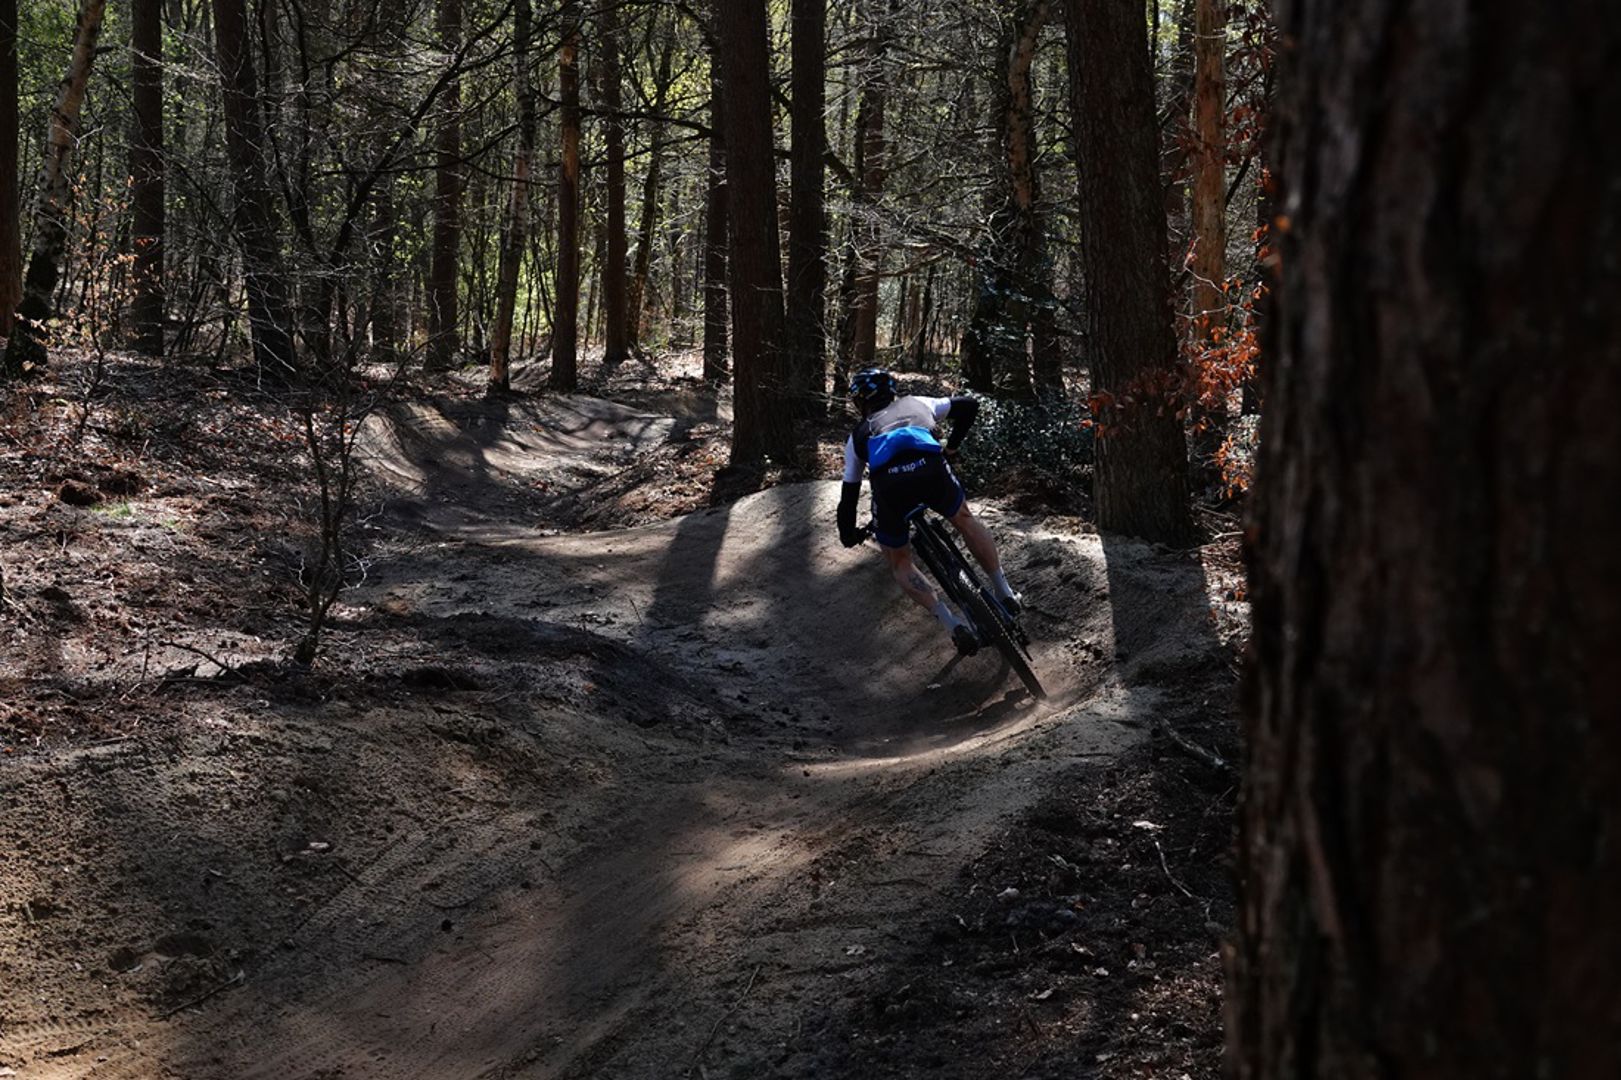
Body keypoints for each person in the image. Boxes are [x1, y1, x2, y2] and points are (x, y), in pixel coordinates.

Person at [836, 367, 1021, 656]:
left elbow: (849, 494)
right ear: (891, 392)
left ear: (861, 401)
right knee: (964, 518)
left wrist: (847, 533)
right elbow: (969, 406)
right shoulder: (918, 402)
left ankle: (952, 624)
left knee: (899, 560)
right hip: (932, 471)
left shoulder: (858, 435)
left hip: (891, 488)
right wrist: (952, 448)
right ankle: (1004, 591)